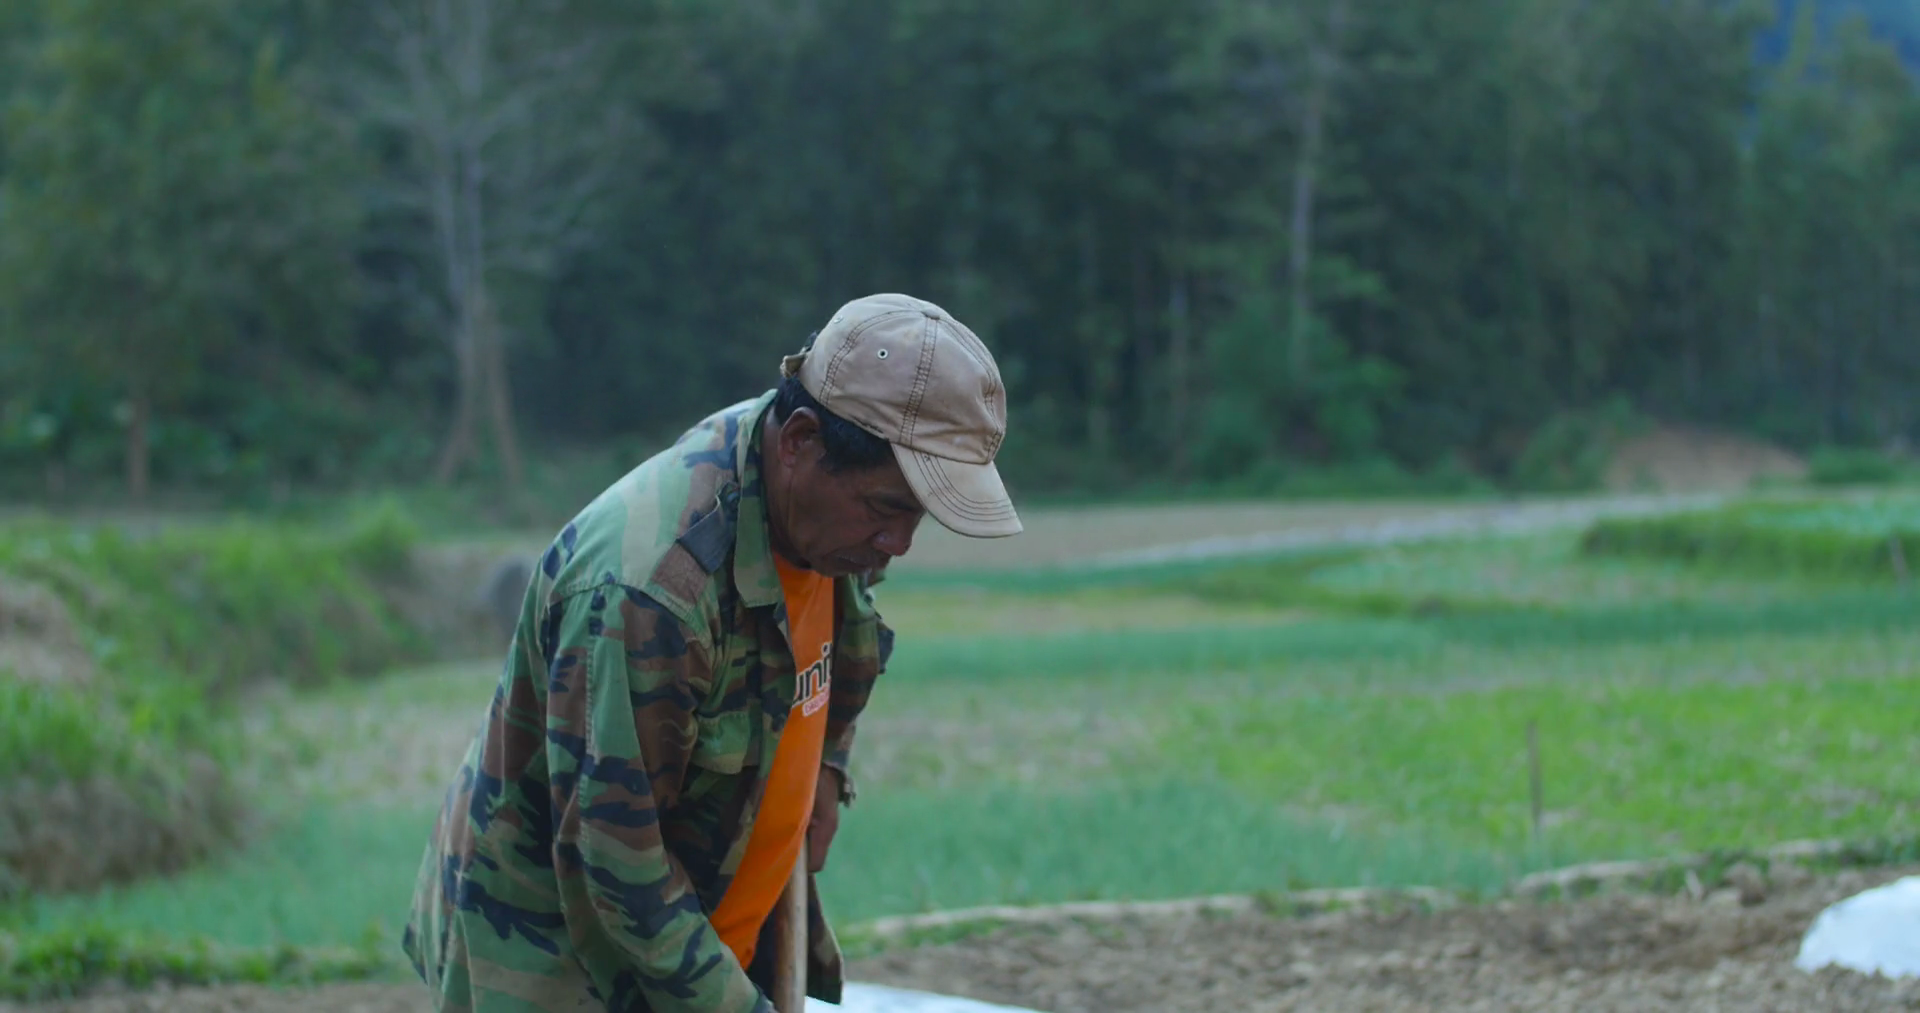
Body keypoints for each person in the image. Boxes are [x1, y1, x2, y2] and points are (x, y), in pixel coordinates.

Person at [403, 293, 1023, 1012]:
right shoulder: (650, 594)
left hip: (714, 926)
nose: (899, 544)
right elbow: (617, 869)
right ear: (800, 442)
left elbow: (841, 635)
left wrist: (826, 763)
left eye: (918, 516)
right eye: (888, 509)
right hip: (566, 962)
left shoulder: (819, 506)